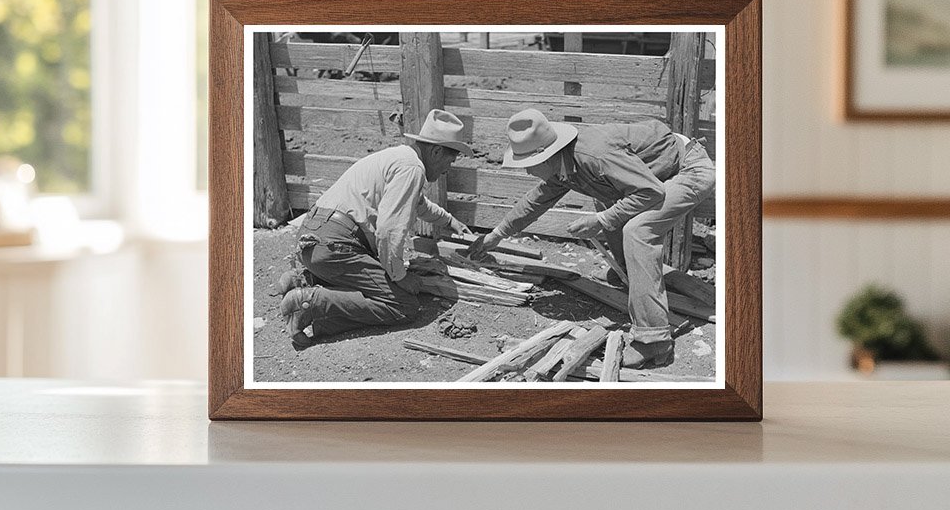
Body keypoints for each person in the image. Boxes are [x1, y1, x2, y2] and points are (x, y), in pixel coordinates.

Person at [468, 108, 715, 369]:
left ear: (546, 156)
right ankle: (630, 275)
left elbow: (650, 192)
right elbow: (535, 201)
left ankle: (654, 341)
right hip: (657, 175)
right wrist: (496, 235)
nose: (528, 172)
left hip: (689, 168)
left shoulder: (594, 156)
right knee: (606, 200)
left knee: (638, 231)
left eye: (529, 164)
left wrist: (601, 221)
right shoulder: (563, 163)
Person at [279, 108, 473, 349]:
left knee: (375, 276)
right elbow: (388, 231)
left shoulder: (398, 157)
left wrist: (450, 221)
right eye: (450, 161)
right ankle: (311, 303)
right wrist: (400, 276)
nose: (448, 169)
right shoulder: (412, 169)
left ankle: (304, 280)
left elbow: (420, 205)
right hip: (336, 246)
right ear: (435, 152)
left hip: (314, 238)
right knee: (403, 305)